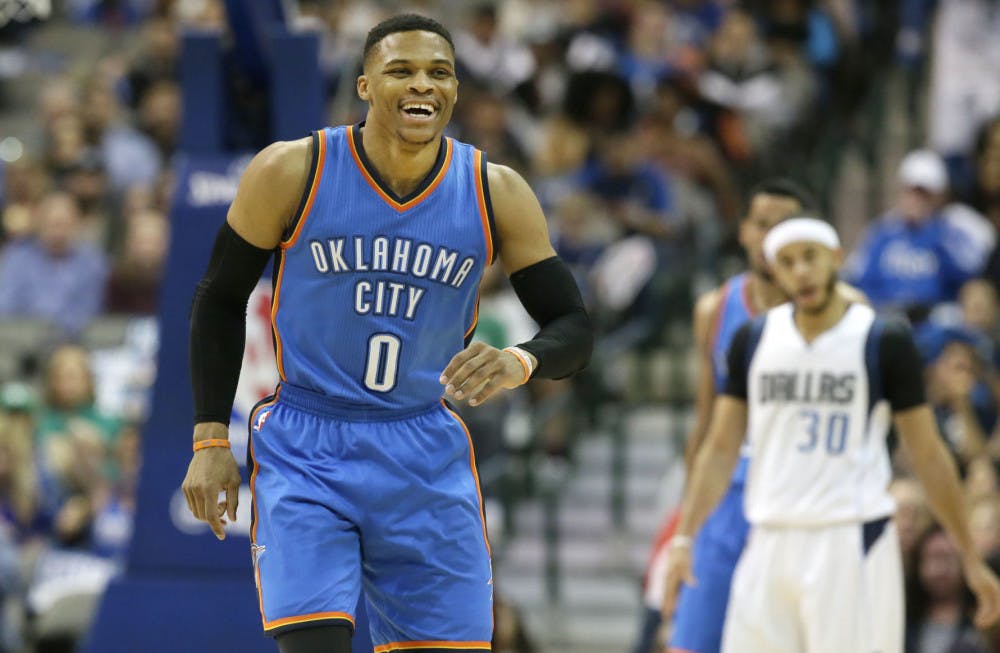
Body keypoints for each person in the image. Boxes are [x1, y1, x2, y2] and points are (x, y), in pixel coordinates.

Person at [180, 14, 592, 653]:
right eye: (401, 70)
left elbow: (572, 326)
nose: (422, 84)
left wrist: (523, 361)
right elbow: (218, 298)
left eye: (440, 73)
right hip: (308, 445)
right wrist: (210, 437)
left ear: (455, 90)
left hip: (423, 446)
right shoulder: (295, 168)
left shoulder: (495, 190)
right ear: (366, 83)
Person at [662, 216, 1000, 652]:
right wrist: (684, 537)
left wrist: (970, 558)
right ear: (774, 272)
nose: (801, 270)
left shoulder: (883, 340)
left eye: (810, 257)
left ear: (836, 259)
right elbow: (721, 447)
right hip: (770, 535)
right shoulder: (754, 339)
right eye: (787, 262)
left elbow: (930, 454)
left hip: (849, 536)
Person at [634, 179, 862, 653]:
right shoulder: (715, 309)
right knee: (690, 642)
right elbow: (705, 423)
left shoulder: (849, 312)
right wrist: (685, 525)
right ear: (743, 232)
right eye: (762, 224)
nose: (770, 236)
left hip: (808, 496)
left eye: (785, 225)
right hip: (728, 494)